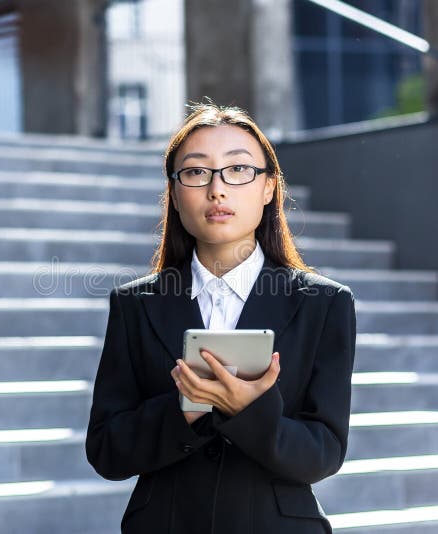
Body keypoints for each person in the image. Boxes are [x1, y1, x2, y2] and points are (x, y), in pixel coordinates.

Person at [85, 101, 357, 534]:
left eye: (239, 169)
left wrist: (250, 413)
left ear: (269, 187)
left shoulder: (323, 303)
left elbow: (323, 454)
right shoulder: (135, 304)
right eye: (196, 172)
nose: (217, 189)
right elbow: (106, 451)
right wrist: (185, 411)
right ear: (174, 193)